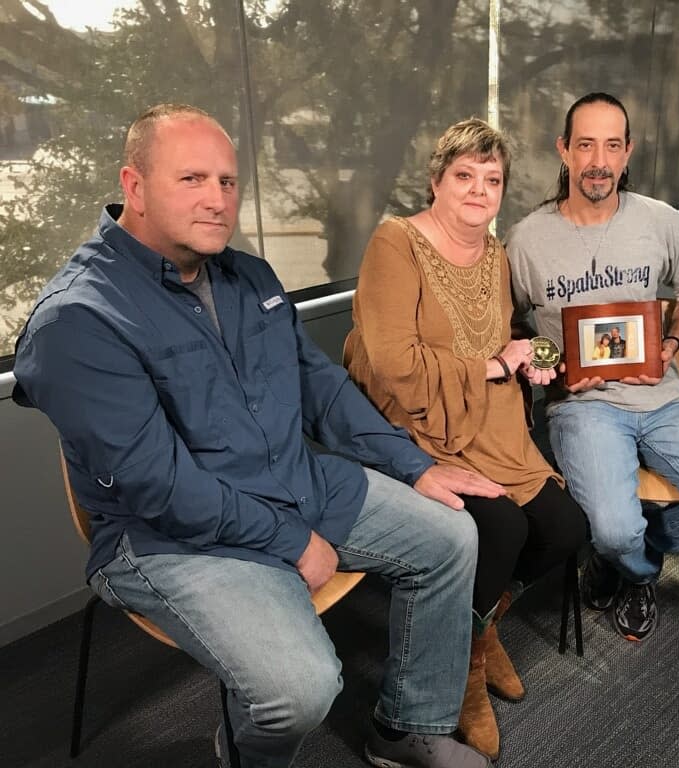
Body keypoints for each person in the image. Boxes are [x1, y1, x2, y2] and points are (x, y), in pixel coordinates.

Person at [12, 104, 496, 768]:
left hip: (293, 481)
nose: (217, 200)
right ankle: (246, 755)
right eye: (192, 180)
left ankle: (407, 727)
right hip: (169, 534)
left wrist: (412, 466)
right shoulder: (78, 320)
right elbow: (159, 485)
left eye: (227, 181)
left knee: (451, 535)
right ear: (134, 184)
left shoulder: (249, 277)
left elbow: (315, 384)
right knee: (299, 690)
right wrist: (292, 541)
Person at [345, 118, 587, 760]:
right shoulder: (396, 242)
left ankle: (476, 629)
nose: (479, 191)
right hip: (414, 422)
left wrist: (535, 355)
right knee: (502, 530)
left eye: (492, 179)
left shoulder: (497, 252)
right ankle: (467, 675)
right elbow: (395, 363)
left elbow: (509, 330)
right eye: (465, 176)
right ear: (436, 182)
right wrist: (499, 366)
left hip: (488, 416)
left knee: (566, 530)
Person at [505, 92, 679, 643]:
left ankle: (622, 557)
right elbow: (511, 330)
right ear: (565, 151)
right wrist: (559, 364)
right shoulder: (527, 239)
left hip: (661, 397)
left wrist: (669, 343)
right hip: (585, 406)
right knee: (612, 527)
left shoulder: (658, 221)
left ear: (628, 153)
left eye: (612, 145)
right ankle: (633, 568)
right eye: (586, 144)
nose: (599, 160)